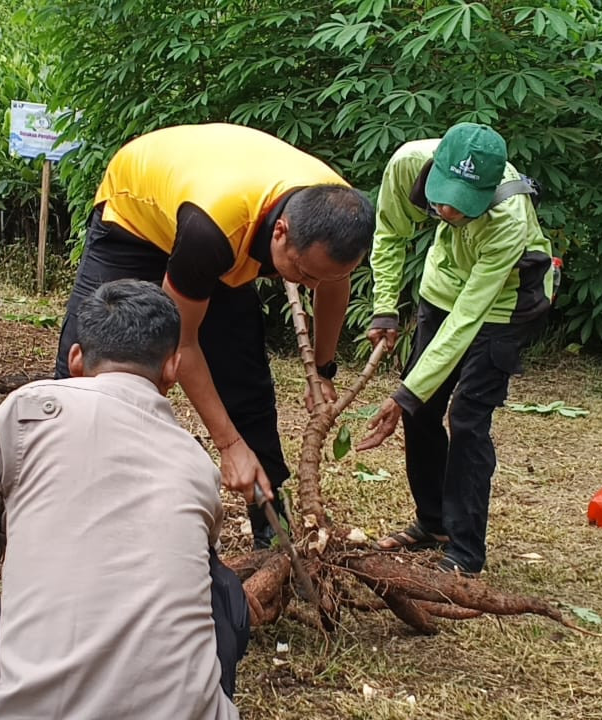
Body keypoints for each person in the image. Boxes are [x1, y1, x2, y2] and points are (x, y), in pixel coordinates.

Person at [0, 279, 246, 720]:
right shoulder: (197, 462)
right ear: (172, 369)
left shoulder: (29, 410)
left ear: (75, 359)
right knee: (222, 586)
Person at [54, 123, 375, 548]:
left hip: (219, 204)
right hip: (137, 215)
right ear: (281, 232)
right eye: (302, 274)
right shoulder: (214, 234)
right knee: (96, 359)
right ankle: (63, 490)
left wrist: (323, 368)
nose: (311, 285)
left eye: (323, 276)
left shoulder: (338, 215)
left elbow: (333, 283)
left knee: (243, 370)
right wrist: (228, 445)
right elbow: (182, 343)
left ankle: (271, 522)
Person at [356, 123, 554, 576]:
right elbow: (389, 233)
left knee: (466, 416)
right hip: (443, 284)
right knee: (420, 412)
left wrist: (405, 390)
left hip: (506, 300)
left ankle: (465, 552)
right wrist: (385, 307)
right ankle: (433, 523)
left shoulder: (509, 215)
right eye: (442, 197)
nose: (445, 210)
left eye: (462, 206)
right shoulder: (408, 164)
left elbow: (470, 315)